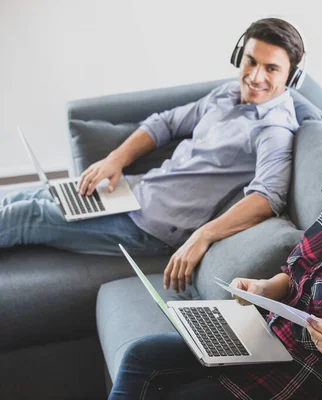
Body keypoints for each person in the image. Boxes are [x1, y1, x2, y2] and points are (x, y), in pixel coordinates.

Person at [0, 18, 305, 293]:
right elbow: (166, 122)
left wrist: (202, 236)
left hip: (151, 228)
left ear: (290, 77)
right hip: (131, 191)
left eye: (271, 68)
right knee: (16, 198)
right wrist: (115, 160)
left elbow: (267, 198)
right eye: (250, 61)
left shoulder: (274, 130)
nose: (255, 76)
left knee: (27, 215)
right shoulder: (226, 94)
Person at [108, 127, 322, 400]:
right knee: (141, 355)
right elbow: (295, 273)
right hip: (261, 339)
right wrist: (262, 288)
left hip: (299, 377)